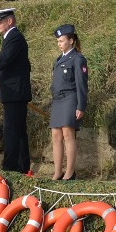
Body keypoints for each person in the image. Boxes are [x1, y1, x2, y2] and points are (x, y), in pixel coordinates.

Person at [0, 8, 32, 173]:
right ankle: (21, 167)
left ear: (10, 21)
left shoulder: (14, 37)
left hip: (15, 91)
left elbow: (4, 59)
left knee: (12, 131)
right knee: (18, 131)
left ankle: (10, 167)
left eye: (0, 21)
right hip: (13, 91)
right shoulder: (10, 37)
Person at [48, 24, 88, 180]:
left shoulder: (78, 59)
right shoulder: (60, 59)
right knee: (56, 135)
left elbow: (81, 84)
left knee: (68, 134)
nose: (59, 44)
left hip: (70, 99)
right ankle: (57, 172)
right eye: (58, 41)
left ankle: (70, 172)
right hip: (58, 100)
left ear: (71, 41)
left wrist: (81, 106)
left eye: (61, 41)